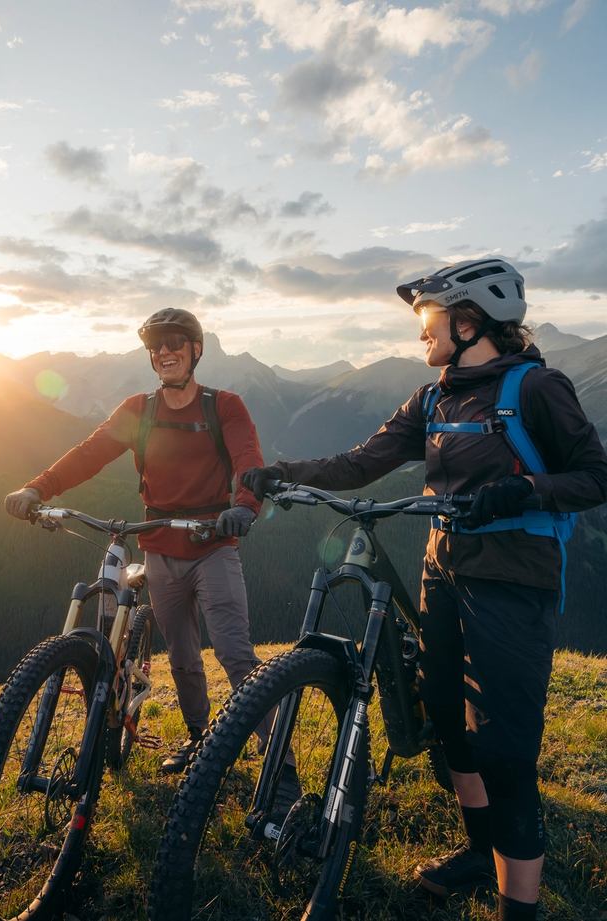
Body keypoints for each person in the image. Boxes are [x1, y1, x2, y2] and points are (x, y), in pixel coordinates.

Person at [243, 258, 607, 921]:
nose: (421, 336)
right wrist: (282, 470)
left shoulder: (536, 389)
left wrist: (526, 488)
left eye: (427, 320)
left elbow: (595, 474)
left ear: (468, 322)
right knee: (445, 718)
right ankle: (477, 851)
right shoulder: (433, 398)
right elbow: (362, 460)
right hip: (442, 571)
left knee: (504, 750)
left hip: (512, 583)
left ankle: (517, 908)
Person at [6, 308, 270, 775]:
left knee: (235, 655)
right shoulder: (138, 411)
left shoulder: (224, 405)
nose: (164, 352)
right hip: (160, 547)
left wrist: (245, 506)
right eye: (156, 346)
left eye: (174, 343)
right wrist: (38, 488)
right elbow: (90, 453)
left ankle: (279, 765)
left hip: (213, 545)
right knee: (185, 659)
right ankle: (198, 740)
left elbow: (248, 457)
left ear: (195, 350)